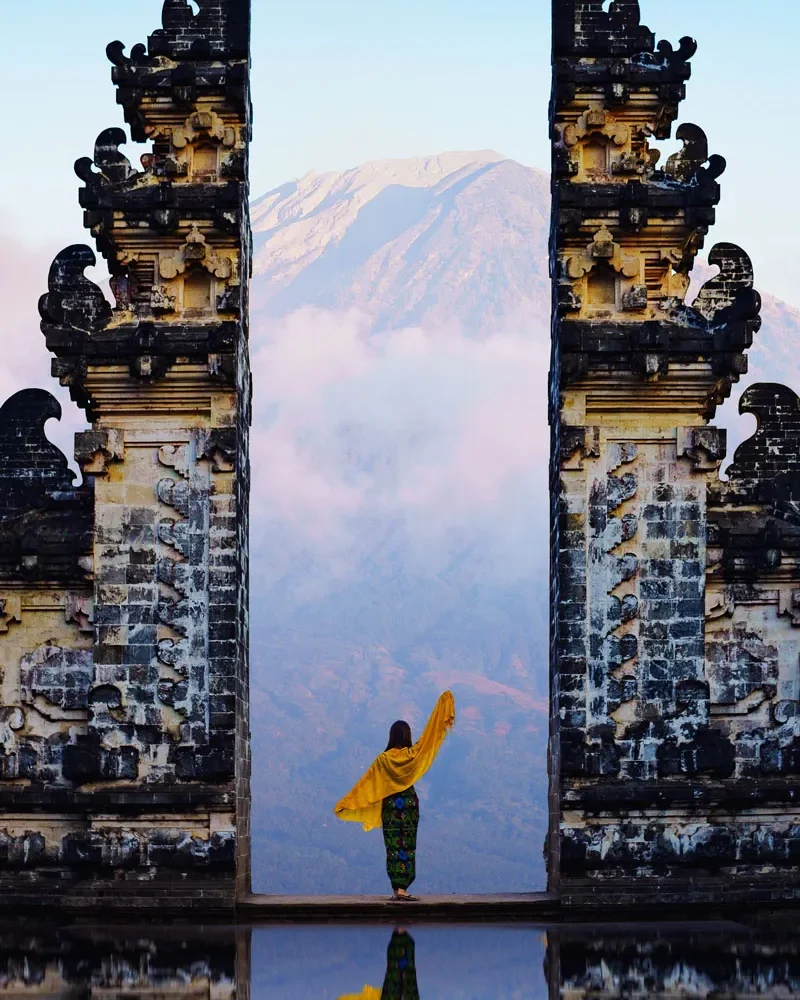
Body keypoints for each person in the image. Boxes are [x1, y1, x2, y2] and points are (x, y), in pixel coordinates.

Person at [334, 691, 456, 901]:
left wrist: (348, 802)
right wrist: (442, 710)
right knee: (408, 844)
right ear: (407, 736)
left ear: (391, 736)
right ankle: (403, 888)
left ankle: (396, 888)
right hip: (408, 805)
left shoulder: (383, 759)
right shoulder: (413, 755)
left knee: (393, 845)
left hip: (391, 807)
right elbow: (430, 739)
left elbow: (367, 784)